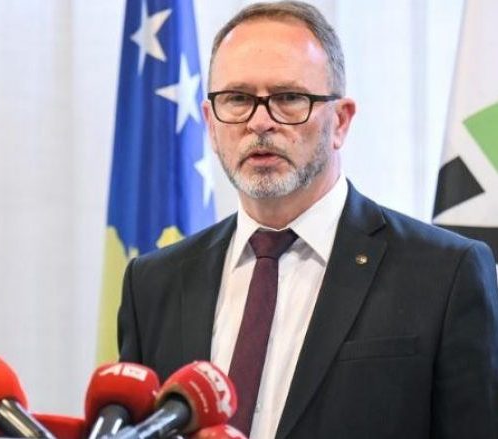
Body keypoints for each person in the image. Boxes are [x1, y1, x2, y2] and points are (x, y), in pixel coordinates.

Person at [117, 1, 498, 438]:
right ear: (210, 123)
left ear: (341, 121)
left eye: (288, 98)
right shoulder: (153, 284)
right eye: (237, 99)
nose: (260, 122)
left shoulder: (445, 273)